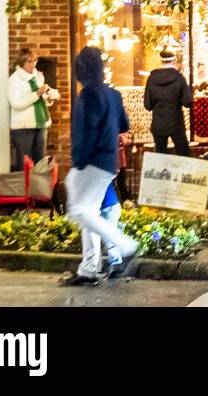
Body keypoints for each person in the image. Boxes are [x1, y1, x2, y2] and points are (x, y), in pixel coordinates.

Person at [63, 46, 139, 285]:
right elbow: (124, 124)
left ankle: (125, 246)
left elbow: (85, 134)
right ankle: (88, 269)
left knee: (80, 211)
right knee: (90, 213)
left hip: (91, 161)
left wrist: (78, 162)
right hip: (110, 161)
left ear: (81, 70)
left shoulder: (87, 96)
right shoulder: (113, 95)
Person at [7, 48, 58, 171]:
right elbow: (16, 104)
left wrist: (49, 99)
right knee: (25, 164)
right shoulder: (14, 80)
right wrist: (37, 93)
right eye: (29, 61)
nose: (33, 64)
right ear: (21, 63)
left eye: (34, 61)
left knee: (40, 163)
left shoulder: (38, 76)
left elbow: (42, 100)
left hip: (40, 123)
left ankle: (38, 188)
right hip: (23, 127)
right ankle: (24, 189)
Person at [143, 48, 193, 156]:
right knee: (183, 154)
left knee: (160, 156)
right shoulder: (179, 78)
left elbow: (147, 105)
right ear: (174, 61)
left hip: (158, 124)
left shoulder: (151, 78)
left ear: (161, 61)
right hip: (176, 123)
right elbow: (188, 102)